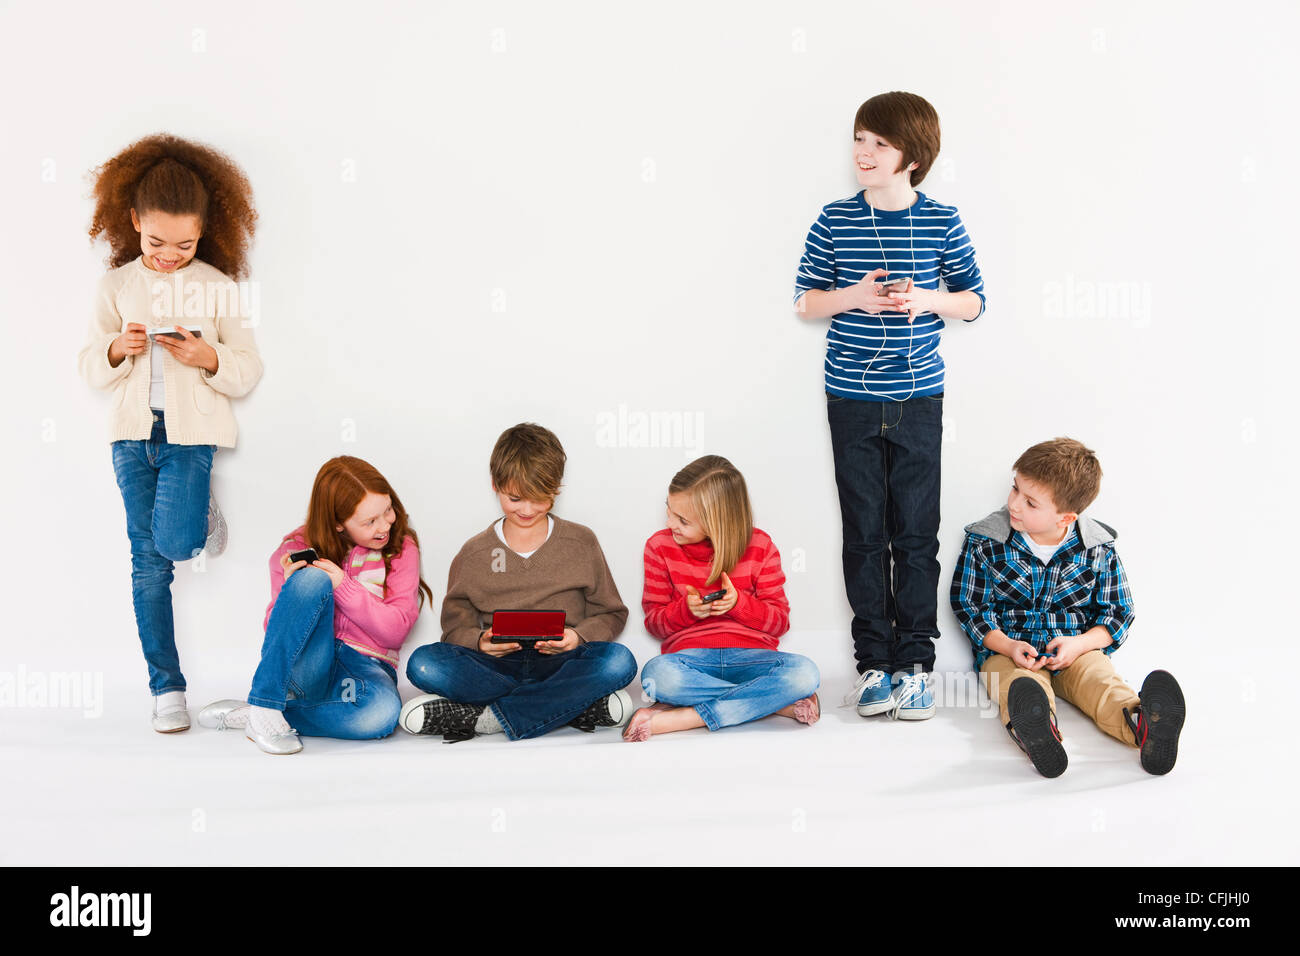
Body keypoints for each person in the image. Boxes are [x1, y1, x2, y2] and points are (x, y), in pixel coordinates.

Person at [793, 91, 986, 720]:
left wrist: (927, 300)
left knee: (916, 535)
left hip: (919, 396)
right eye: (859, 139)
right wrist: (855, 296)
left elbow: (974, 301)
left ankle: (916, 667)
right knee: (865, 534)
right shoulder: (834, 218)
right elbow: (805, 301)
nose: (864, 153)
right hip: (848, 397)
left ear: (912, 155)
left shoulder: (942, 220)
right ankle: (872, 665)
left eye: (879, 142)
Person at [78, 133, 263, 733]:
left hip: (191, 438)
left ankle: (198, 513)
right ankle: (167, 688)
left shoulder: (217, 286)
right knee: (147, 565)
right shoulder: (115, 287)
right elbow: (88, 366)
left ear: (204, 232)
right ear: (133, 223)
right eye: (155, 241)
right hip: (131, 438)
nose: (167, 255)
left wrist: (207, 357)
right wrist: (115, 348)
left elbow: (247, 366)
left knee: (177, 547)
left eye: (184, 244)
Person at [950, 437, 1185, 777]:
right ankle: (1038, 731)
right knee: (1014, 685)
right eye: (1015, 490)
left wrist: (1080, 644)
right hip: (1011, 649)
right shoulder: (987, 540)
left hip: (1076, 647)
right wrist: (1009, 645)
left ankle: (1143, 723)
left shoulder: (1097, 547)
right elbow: (971, 606)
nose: (1014, 504)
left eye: (1030, 502)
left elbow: (1117, 613)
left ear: (1065, 517)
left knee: (1101, 683)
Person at [400, 424, 636, 742]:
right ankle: (574, 706)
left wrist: (578, 637)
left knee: (619, 662)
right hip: (495, 667)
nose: (527, 510)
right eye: (515, 498)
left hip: (560, 663)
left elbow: (612, 613)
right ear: (495, 485)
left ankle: (487, 719)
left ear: (556, 489)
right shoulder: (474, 553)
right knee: (424, 664)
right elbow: (454, 629)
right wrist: (480, 640)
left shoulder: (581, 541)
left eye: (539, 499)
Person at [199, 457, 433, 754]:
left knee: (383, 714)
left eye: (388, 509)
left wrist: (344, 587)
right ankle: (266, 701)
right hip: (310, 664)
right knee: (311, 581)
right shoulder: (293, 550)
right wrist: (293, 591)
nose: (386, 524)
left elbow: (395, 631)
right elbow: (274, 635)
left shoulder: (402, 548)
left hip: (366, 667)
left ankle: (264, 712)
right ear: (338, 524)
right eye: (370, 521)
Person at [626, 455, 820, 742]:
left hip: (754, 658)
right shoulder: (659, 546)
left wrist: (739, 604)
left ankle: (684, 717)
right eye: (668, 511)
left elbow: (779, 623)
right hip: (690, 660)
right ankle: (773, 704)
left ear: (717, 521)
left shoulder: (761, 546)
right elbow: (655, 624)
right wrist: (687, 610)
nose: (670, 523)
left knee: (805, 674)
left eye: (682, 520)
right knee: (657, 676)